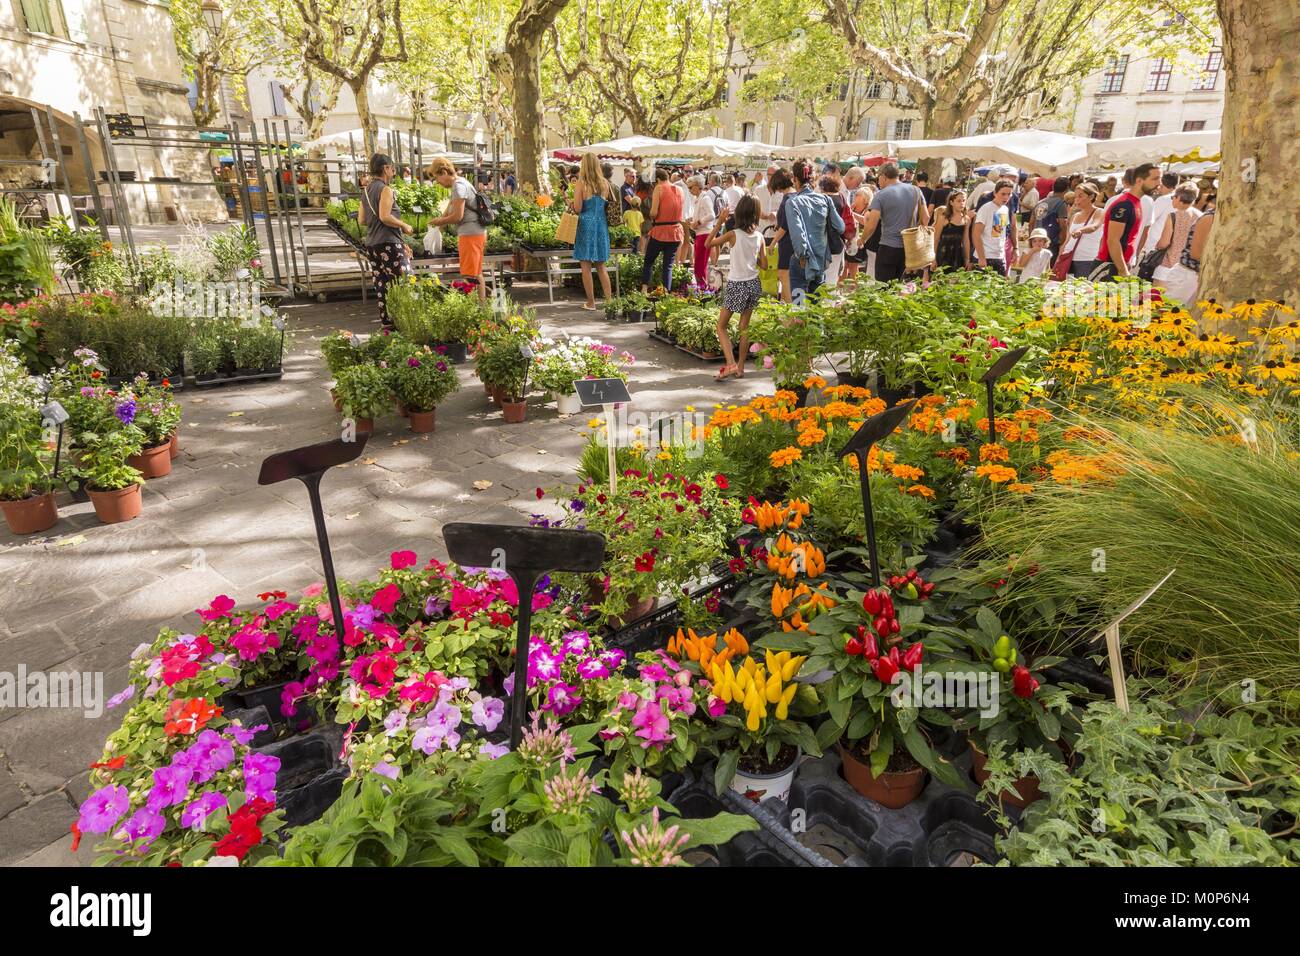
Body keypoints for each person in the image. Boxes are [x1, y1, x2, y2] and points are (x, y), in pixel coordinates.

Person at [706, 194, 767, 380]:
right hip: (753, 283)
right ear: (756, 214)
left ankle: (731, 364)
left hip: (737, 284)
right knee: (744, 328)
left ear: (739, 212)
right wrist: (752, 254)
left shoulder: (733, 234)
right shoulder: (759, 236)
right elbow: (764, 265)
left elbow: (708, 243)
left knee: (721, 326)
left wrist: (719, 221)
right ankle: (740, 368)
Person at [356, 152, 414, 328]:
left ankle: (387, 323)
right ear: (386, 168)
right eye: (392, 168)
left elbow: (362, 220)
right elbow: (385, 216)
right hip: (389, 243)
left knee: (382, 283)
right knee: (404, 282)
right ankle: (407, 321)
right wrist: (403, 225)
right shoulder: (385, 189)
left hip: (373, 244)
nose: (393, 172)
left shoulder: (366, 190)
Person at [429, 157, 487, 302]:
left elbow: (457, 216)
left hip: (470, 234)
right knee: (475, 272)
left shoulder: (458, 186)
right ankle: (481, 306)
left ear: (443, 172)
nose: (438, 183)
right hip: (475, 232)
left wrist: (439, 221)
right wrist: (439, 226)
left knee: (470, 274)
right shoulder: (461, 183)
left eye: (437, 178)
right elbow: (450, 209)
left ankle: (475, 308)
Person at [784, 160, 843, 297]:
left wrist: (803, 255)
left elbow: (797, 234)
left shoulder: (792, 202)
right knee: (815, 308)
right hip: (821, 260)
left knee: (799, 307)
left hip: (802, 262)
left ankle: (798, 318)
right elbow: (840, 227)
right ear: (813, 178)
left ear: (795, 179)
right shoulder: (825, 200)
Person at [862, 162, 929, 282]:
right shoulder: (916, 190)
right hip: (909, 248)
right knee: (899, 286)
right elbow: (926, 218)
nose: (878, 181)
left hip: (888, 246)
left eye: (879, 178)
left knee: (883, 287)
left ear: (884, 176)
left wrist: (862, 239)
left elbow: (871, 225)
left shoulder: (881, 195)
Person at [569, 152, 616, 311]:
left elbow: (578, 208)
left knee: (586, 266)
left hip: (586, 225)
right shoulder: (605, 183)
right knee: (601, 266)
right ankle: (610, 301)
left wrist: (570, 202)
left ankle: (591, 302)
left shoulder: (582, 183)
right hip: (601, 225)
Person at [1097, 162, 1159, 278]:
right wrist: (1123, 270)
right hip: (1110, 266)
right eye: (1154, 179)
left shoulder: (1137, 202)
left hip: (1121, 264)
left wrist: (1130, 259)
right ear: (1139, 181)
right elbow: (1113, 240)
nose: (1158, 184)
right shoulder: (1125, 204)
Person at [1151, 182, 1204, 302]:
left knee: (1157, 306)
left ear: (1178, 198)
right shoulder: (1201, 216)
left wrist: (1155, 246)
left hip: (1167, 266)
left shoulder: (1174, 216)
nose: (1172, 200)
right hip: (1189, 270)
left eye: (1172, 197)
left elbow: (1164, 243)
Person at [641, 167, 683, 292]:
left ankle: (644, 290)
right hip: (675, 231)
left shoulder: (659, 188)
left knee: (648, 261)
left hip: (660, 231)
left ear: (658, 179)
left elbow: (653, 213)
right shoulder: (680, 189)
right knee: (668, 266)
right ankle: (666, 293)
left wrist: (650, 215)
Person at [971, 178, 1015, 275]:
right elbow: (976, 234)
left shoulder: (1005, 209)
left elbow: (999, 233)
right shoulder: (985, 208)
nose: (1006, 197)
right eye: (1003, 194)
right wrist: (982, 258)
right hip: (985, 256)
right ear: (995, 193)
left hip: (999, 256)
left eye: (1009, 194)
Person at [767, 168, 796, 302]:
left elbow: (784, 227)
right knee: (790, 277)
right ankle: (788, 309)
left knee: (783, 275)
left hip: (787, 243)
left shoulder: (787, 200)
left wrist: (772, 243)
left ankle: (791, 313)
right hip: (795, 242)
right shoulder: (797, 196)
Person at [1063, 181, 1104, 277]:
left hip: (1087, 260)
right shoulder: (1075, 216)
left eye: (1080, 196)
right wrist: (1060, 256)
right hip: (1068, 258)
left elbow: (1094, 226)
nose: (1076, 200)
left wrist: (1080, 230)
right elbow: (1067, 240)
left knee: (1083, 290)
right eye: (1076, 197)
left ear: (1091, 197)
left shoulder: (1099, 212)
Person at [819, 174, 850, 287]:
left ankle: (822, 303)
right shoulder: (841, 198)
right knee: (832, 278)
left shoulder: (820, 200)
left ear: (822, 187)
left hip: (821, 245)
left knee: (821, 279)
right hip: (837, 244)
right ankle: (829, 303)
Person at [1029, 177, 1071, 260]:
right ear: (1067, 189)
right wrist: (1062, 244)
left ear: (1053, 188)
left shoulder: (1040, 202)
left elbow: (1031, 223)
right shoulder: (1061, 204)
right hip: (1051, 243)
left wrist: (1032, 241)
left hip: (1036, 240)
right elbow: (1063, 225)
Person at [1140, 172, 1180, 258]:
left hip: (1155, 244)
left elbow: (1149, 219)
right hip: (1169, 245)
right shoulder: (1180, 199)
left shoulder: (1163, 199)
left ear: (1163, 184)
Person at [687, 174, 717, 287]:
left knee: (700, 265)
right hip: (701, 234)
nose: (689, 190)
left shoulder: (705, 198)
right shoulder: (699, 198)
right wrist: (692, 219)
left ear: (697, 186)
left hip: (704, 234)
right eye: (688, 188)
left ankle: (702, 289)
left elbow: (711, 215)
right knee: (699, 264)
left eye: (690, 187)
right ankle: (702, 289)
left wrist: (698, 222)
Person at [841, 166, 870, 280]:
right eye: (858, 182)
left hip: (852, 242)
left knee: (850, 267)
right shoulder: (841, 191)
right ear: (851, 178)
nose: (858, 186)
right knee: (844, 267)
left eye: (859, 195)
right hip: (843, 239)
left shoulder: (846, 192)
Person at [932, 190, 970, 272]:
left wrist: (967, 258)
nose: (962, 203)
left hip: (958, 254)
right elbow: (936, 238)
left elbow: (966, 240)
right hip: (943, 253)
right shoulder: (944, 218)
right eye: (958, 201)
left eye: (964, 201)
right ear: (951, 202)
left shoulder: (966, 219)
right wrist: (933, 258)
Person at [620, 168, 643, 252]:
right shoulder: (624, 188)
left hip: (635, 218)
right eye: (632, 176)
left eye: (635, 177)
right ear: (626, 176)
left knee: (636, 243)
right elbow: (632, 201)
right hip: (628, 218)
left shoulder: (632, 187)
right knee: (630, 244)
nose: (635, 178)